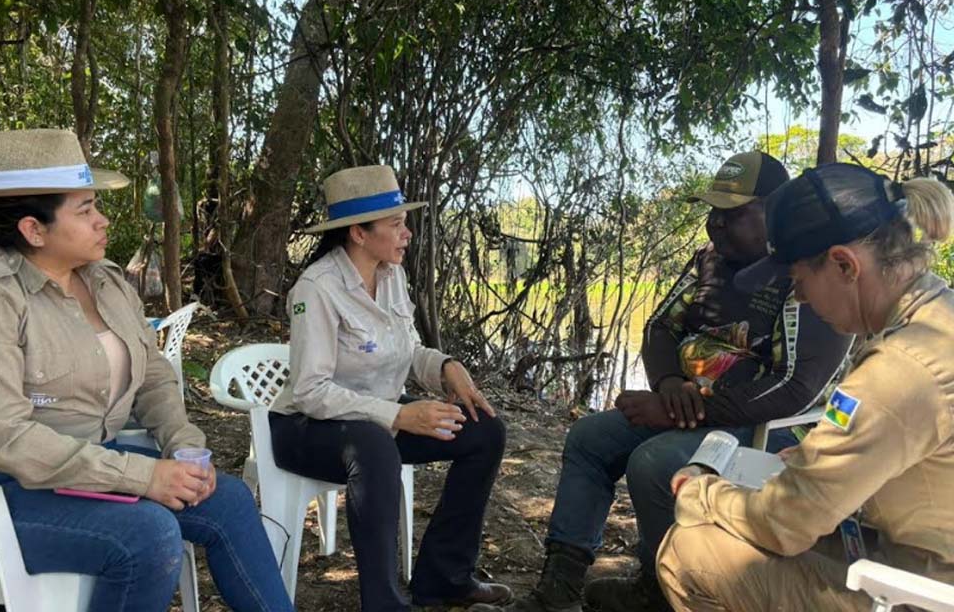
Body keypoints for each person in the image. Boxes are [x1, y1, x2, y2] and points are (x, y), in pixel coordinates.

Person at [472, 151, 853, 612]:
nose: (715, 224)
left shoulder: (804, 275)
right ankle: (557, 593)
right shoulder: (709, 260)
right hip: (689, 408)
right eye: (713, 212)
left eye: (731, 214)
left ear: (774, 210)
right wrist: (669, 381)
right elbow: (658, 326)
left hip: (766, 425)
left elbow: (796, 388)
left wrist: (686, 408)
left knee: (654, 463)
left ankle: (662, 590)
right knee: (589, 437)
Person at [0, 129, 294, 611]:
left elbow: (153, 376)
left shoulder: (107, 281)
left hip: (95, 467)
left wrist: (184, 444)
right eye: (86, 210)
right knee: (148, 535)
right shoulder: (2, 297)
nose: (103, 221)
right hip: (12, 492)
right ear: (33, 230)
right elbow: (7, 437)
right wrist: (141, 476)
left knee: (230, 501)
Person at [657, 164, 954, 611]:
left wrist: (701, 491)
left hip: (921, 590)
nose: (800, 300)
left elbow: (785, 523)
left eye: (798, 283)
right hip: (917, 555)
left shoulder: (900, 369)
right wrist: (815, 457)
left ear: (843, 264)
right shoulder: (933, 319)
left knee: (688, 552)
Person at [268, 165, 509, 612]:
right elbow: (310, 390)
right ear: (358, 232)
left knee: (485, 431)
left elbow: (408, 349)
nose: (407, 233)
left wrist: (446, 367)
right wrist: (397, 415)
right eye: (395, 224)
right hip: (305, 427)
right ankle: (383, 603)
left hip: (376, 415)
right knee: (374, 445)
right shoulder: (316, 288)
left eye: (404, 222)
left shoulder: (391, 274)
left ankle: (445, 578)